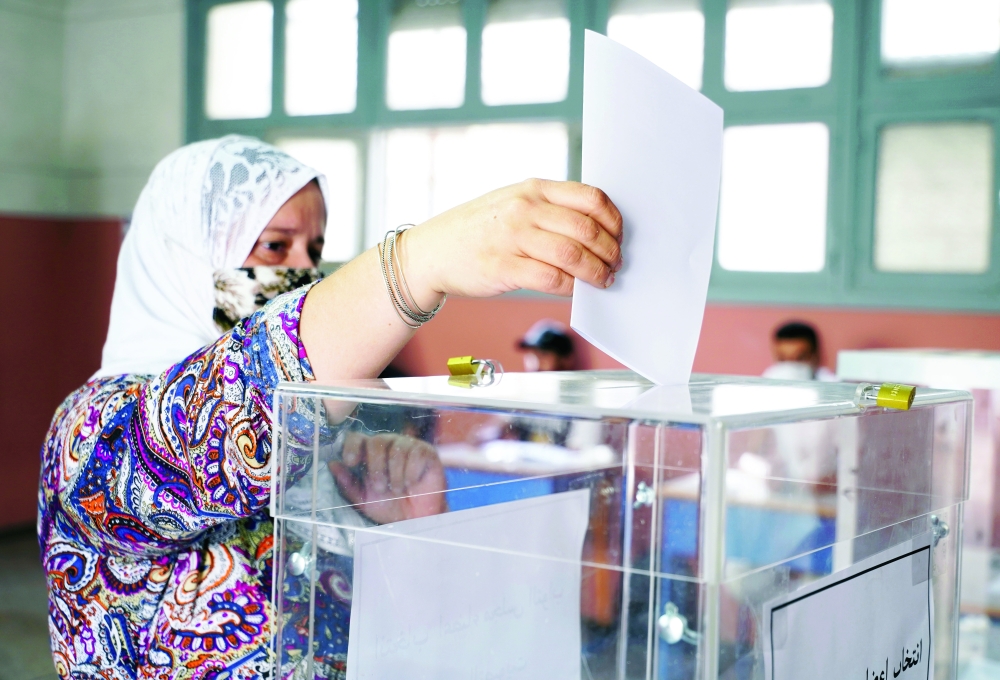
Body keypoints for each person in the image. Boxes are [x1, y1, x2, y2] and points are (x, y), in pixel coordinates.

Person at [38, 135, 624, 679]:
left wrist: (411, 529)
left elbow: (406, 648)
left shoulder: (331, 454)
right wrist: (418, 262)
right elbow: (220, 421)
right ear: (183, 254)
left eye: (313, 250)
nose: (303, 272)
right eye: (274, 245)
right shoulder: (92, 431)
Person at [761, 320, 836, 382]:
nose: (790, 366)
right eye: (782, 359)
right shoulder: (767, 380)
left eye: (799, 358)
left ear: (815, 356)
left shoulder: (831, 384)